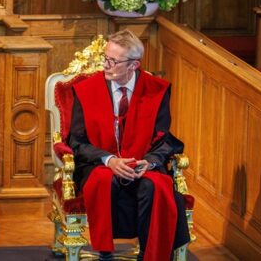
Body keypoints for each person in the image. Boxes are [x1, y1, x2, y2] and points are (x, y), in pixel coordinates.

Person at [67, 30, 190, 261]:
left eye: (113, 61)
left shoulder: (156, 90)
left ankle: (149, 255)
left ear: (133, 65)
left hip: (141, 163)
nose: (106, 65)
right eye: (106, 58)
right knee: (106, 180)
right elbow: (76, 140)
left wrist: (151, 162)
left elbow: (163, 137)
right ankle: (105, 253)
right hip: (98, 164)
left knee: (154, 187)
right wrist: (109, 160)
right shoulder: (86, 90)